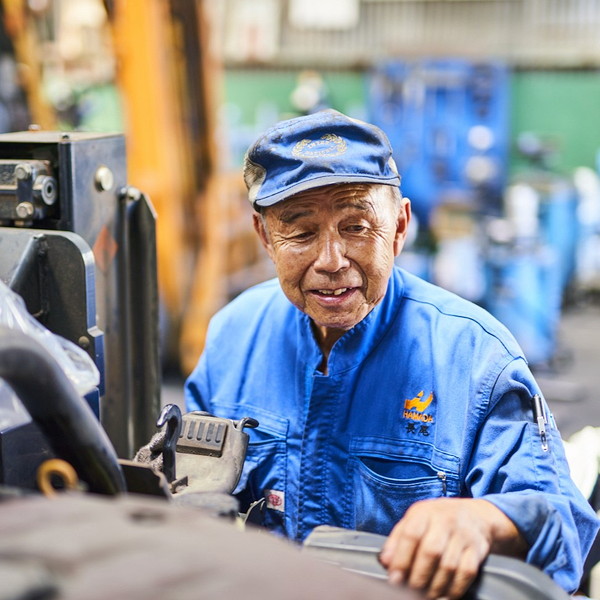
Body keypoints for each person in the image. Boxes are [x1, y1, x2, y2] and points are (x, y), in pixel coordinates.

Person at [185, 109, 598, 599]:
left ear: (399, 227)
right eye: (301, 233)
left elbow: (564, 526)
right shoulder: (234, 337)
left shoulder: (474, 358)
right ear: (265, 238)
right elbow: (190, 486)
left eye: (356, 227)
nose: (331, 261)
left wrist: (485, 520)